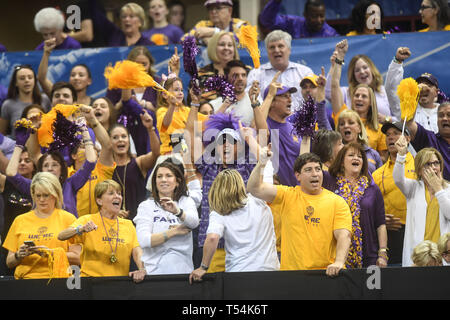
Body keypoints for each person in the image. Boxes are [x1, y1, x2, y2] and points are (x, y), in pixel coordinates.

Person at [185, 100, 273, 273]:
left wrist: (248, 136)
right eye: (221, 142)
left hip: (244, 245)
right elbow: (191, 135)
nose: (225, 145)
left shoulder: (247, 166)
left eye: (231, 141)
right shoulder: (209, 167)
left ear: (239, 147)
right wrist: (194, 103)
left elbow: (264, 151)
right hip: (213, 244)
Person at [247, 149, 351, 275]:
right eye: (308, 170)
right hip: (292, 276)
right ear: (298, 176)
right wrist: (262, 162)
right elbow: (254, 188)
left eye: (318, 169)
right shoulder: (287, 195)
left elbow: (343, 236)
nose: (315, 174)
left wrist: (339, 262)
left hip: (325, 275)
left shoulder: (337, 202)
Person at [189, 169, 279, 283]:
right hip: (269, 270)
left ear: (216, 188)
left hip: (238, 273)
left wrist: (203, 267)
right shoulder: (258, 200)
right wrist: (262, 161)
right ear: (241, 184)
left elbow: (212, 238)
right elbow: (264, 172)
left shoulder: (219, 212)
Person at [6, 114, 97, 217]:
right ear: (40, 170)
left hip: (70, 231)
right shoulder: (33, 186)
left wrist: (84, 131)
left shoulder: (70, 184)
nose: (50, 168)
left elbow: (91, 161)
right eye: (46, 165)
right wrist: (19, 145)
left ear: (61, 169)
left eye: (54, 165)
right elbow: (11, 173)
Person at [58, 180, 145, 282]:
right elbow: (61, 236)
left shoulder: (128, 225)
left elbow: (137, 251)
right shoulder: (87, 220)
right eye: (111, 193)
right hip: (91, 283)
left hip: (119, 283)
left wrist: (142, 269)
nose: (117, 196)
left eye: (119, 193)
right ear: (99, 201)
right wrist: (81, 229)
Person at [2, 172, 79, 279]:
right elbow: (9, 262)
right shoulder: (20, 220)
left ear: (55, 194)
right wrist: (19, 255)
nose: (42, 199)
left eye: (46, 195)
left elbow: (78, 258)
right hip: (26, 281)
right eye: (38, 195)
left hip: (59, 280)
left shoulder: (68, 219)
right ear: (33, 195)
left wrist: (50, 253)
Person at [323, 142, 387, 268]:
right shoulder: (329, 182)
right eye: (351, 155)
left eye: (360, 156)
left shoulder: (373, 188)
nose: (356, 158)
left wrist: (382, 254)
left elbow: (381, 224)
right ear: (342, 162)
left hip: (370, 256)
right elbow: (306, 165)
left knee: (373, 288)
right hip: (335, 256)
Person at [328, 40, 390, 160]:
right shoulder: (344, 118)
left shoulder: (379, 130)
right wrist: (339, 57)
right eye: (356, 95)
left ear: (371, 103)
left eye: (364, 96)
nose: (359, 98)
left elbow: (383, 160)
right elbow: (334, 85)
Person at [393, 136, 450, 266]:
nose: (433, 168)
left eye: (436, 163)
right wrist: (401, 155)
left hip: (443, 257)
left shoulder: (448, 189)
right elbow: (398, 179)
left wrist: (438, 189)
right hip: (418, 256)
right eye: (428, 164)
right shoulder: (413, 188)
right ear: (419, 169)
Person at [134, 162, 199, 275]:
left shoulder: (186, 201)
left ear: (177, 182)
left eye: (168, 176)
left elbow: (194, 223)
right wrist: (173, 232)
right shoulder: (146, 206)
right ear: (155, 182)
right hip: (153, 273)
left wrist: (177, 212)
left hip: (183, 272)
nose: (163, 179)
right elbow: (144, 241)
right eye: (159, 176)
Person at [107, 46, 165, 156]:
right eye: (136, 64)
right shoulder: (118, 83)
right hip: (124, 133)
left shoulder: (157, 83)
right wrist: (122, 103)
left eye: (144, 64)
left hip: (150, 133)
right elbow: (109, 110)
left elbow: (164, 109)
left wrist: (145, 105)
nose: (141, 68)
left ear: (150, 64)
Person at [372, 122, 416, 265]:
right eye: (388, 135)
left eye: (396, 133)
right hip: (391, 235)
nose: (391, 137)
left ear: (408, 139)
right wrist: (381, 219)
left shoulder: (419, 164)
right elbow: (371, 205)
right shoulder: (377, 174)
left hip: (416, 229)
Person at [110, 105, 160, 220]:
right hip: (113, 222)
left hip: (140, 222)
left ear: (129, 140)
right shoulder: (105, 168)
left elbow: (156, 153)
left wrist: (150, 129)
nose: (120, 140)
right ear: (109, 142)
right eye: (115, 137)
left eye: (124, 136)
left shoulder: (139, 163)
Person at [246, 30, 313, 111]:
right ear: (267, 51)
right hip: (267, 121)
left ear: (289, 49)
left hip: (301, 122)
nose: (276, 50)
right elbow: (251, 99)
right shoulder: (256, 73)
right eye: (272, 47)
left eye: (280, 46)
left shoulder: (305, 72)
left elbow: (313, 98)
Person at [68, 105, 115, 217]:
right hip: (74, 229)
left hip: (100, 227)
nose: (89, 150)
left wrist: (92, 119)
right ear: (74, 155)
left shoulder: (101, 170)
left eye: (91, 146)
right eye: (84, 146)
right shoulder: (66, 174)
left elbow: (107, 146)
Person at [385, 47, 443, 133]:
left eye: (429, 85)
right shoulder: (407, 110)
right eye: (418, 85)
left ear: (436, 92)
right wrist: (397, 61)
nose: (423, 89)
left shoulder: (445, 112)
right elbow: (392, 89)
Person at [0, 147, 34, 276]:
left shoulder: (40, 187)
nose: (23, 163)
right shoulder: (6, 182)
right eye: (19, 160)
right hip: (8, 246)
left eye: (27, 160)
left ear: (34, 164)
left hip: (32, 244)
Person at [156, 77, 209, 155]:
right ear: (164, 94)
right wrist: (172, 106)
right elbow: (166, 123)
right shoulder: (162, 111)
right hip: (170, 154)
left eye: (181, 90)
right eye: (176, 90)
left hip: (188, 153)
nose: (180, 93)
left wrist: (225, 104)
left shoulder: (186, 110)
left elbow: (210, 122)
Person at [0, 65, 51, 139]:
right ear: (16, 83)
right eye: (22, 78)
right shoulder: (8, 104)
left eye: (30, 77)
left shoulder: (44, 100)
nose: (27, 80)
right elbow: (2, 135)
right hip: (16, 148)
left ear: (34, 80)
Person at [37, 40, 93, 106]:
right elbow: (41, 78)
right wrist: (46, 53)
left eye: (81, 75)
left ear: (89, 81)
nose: (76, 78)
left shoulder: (96, 104)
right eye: (73, 75)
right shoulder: (59, 96)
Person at [405, 102, 450, 180]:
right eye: (441, 115)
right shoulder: (430, 139)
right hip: (438, 190)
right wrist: (410, 97)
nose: (444, 118)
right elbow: (409, 124)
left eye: (449, 115)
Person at [209, 60, 256, 127]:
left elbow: (262, 131)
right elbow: (208, 129)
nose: (240, 79)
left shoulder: (256, 103)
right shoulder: (214, 105)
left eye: (243, 75)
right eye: (235, 75)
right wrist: (224, 106)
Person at [259, 0, 339, 39]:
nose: (319, 20)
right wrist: (276, 2)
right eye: (314, 16)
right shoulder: (293, 23)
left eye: (322, 16)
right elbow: (266, 21)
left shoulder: (331, 34)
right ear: (305, 15)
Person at [336, 109, 383, 174]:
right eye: (342, 124)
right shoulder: (336, 153)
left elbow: (380, 179)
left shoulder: (373, 154)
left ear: (359, 128)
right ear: (339, 130)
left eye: (351, 123)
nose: (346, 126)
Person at [184, 0, 250, 45]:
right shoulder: (203, 24)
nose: (213, 12)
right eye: (210, 9)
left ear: (230, 10)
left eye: (218, 8)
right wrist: (202, 39)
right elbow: (183, 40)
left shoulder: (241, 25)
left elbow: (248, 39)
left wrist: (215, 32)